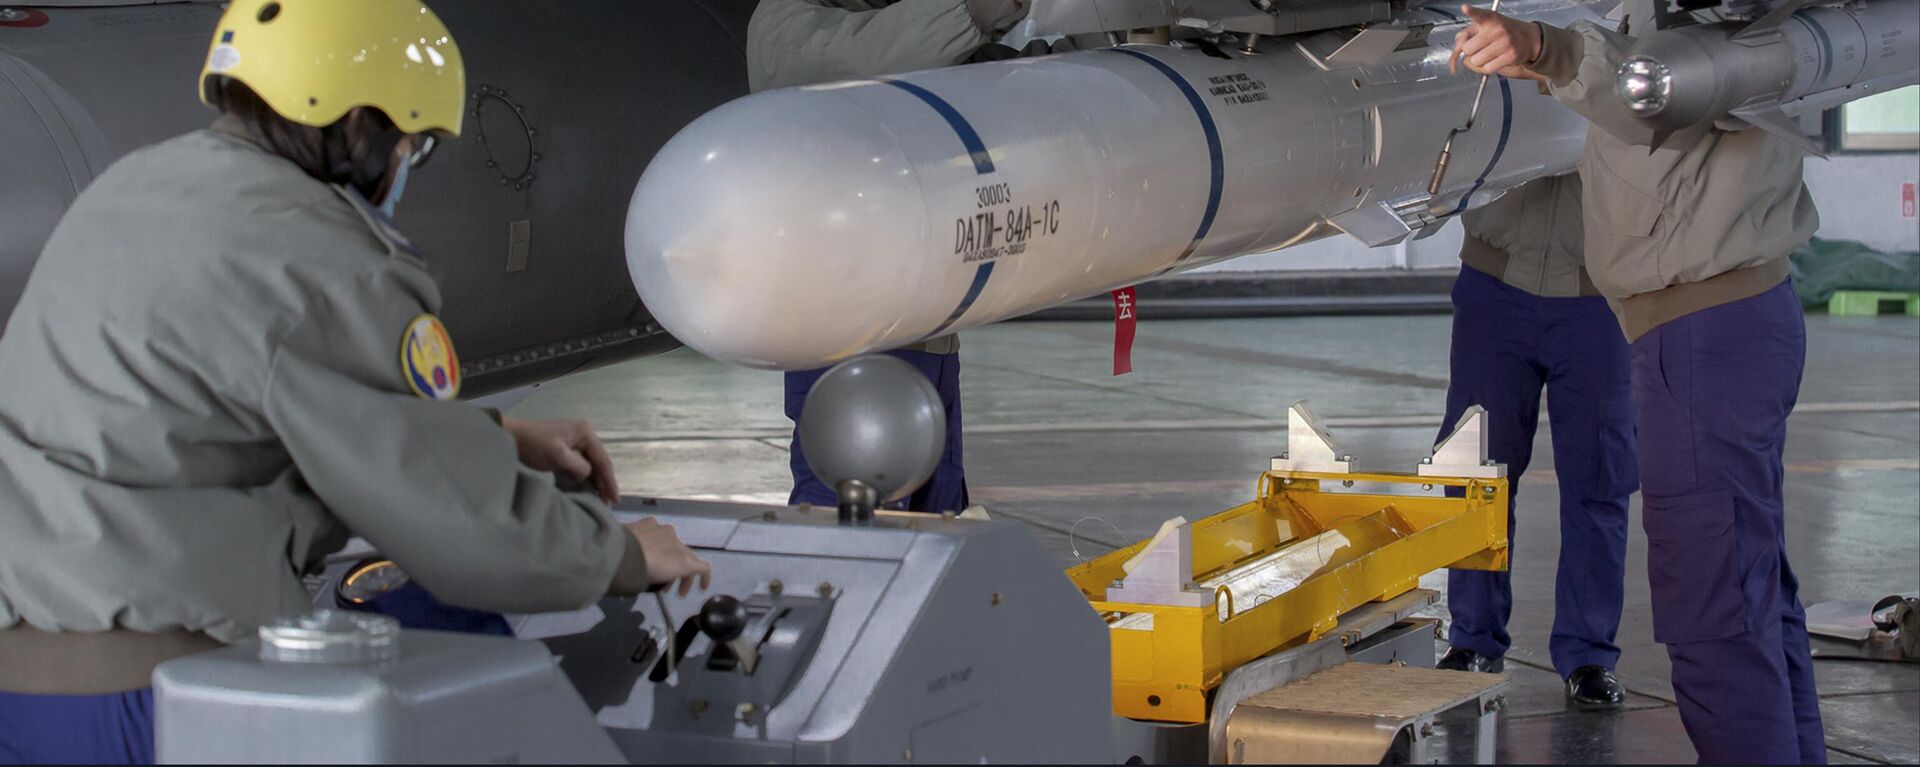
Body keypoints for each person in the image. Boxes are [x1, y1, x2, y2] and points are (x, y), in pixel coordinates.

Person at [0, 1, 710, 762]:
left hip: (26, 688)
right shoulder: (323, 256)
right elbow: (463, 529)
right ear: (362, 129)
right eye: (412, 142)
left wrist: (492, 436)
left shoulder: (134, 189)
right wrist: (623, 553)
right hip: (163, 699)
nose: (406, 163)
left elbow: (217, 400)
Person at [1452, 4, 1825, 762]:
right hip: (1719, 318)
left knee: (1714, 614)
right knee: (1750, 596)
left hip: (1702, 327)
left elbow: (1657, 81)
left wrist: (1549, 49)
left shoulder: (1708, 36)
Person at [747, 0, 1031, 513]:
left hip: (926, 328)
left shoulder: (889, 20)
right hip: (848, 338)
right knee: (848, 524)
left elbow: (981, 83)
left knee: (937, 525)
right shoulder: (781, 25)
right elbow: (866, 57)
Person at [1436, 174, 1636, 712]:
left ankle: (1590, 654)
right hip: (1495, 283)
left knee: (1599, 477)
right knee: (1477, 472)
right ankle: (1472, 639)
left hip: (1602, 294)